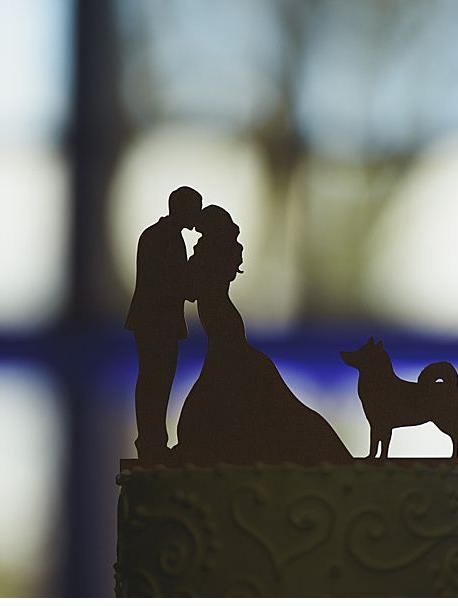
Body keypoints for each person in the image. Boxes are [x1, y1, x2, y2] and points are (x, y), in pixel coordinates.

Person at [174, 205, 352, 466]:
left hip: (240, 367)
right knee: (296, 422)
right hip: (233, 372)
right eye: (232, 247)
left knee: (299, 420)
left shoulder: (212, 288)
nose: (238, 256)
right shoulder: (210, 290)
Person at [125, 186, 203, 462]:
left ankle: (152, 440)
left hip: (153, 322)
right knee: (155, 382)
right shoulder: (166, 240)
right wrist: (198, 266)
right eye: (195, 208)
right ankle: (152, 442)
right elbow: (180, 286)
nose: (198, 214)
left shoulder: (157, 235)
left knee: (154, 381)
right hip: (157, 323)